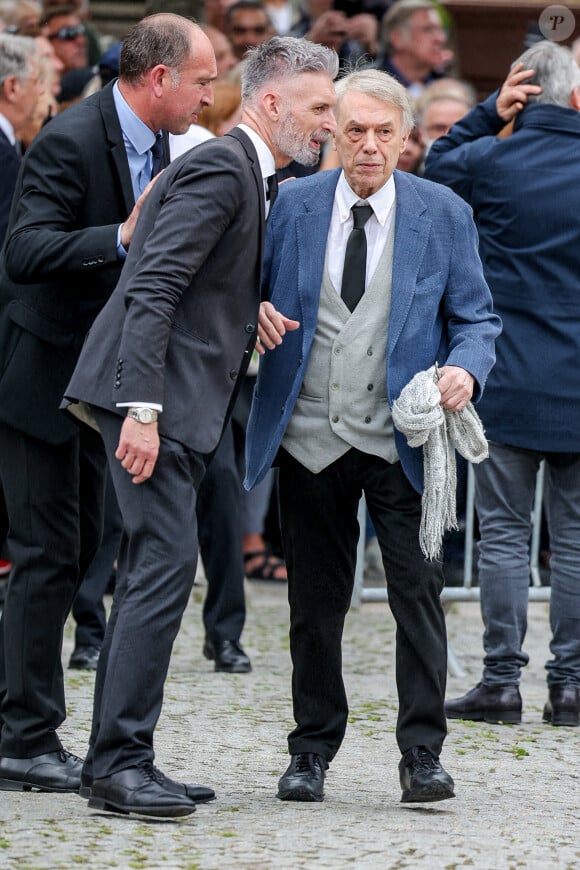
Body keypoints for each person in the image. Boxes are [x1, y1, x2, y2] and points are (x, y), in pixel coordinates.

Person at [63, 35, 338, 818]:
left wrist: (243, 308)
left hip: (168, 401)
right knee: (161, 571)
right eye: (319, 108)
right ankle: (119, 763)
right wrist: (142, 410)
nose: (327, 124)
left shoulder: (247, 172)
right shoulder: (225, 166)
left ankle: (113, 759)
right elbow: (151, 284)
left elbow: (187, 272)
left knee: (156, 569)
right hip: (153, 404)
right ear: (273, 101)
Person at [245, 68, 501, 804]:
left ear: (406, 139)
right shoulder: (290, 205)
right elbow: (245, 289)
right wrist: (255, 311)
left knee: (418, 595)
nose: (368, 145)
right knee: (314, 604)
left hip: (404, 441)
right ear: (331, 132)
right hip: (309, 432)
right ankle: (311, 750)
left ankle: (423, 752)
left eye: (384, 132)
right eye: (354, 129)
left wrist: (465, 370)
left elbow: (477, 318)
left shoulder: (443, 212)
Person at [0, 12, 216, 797]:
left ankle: (102, 748)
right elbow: (23, 253)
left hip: (102, 389)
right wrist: (120, 237)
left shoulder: (164, 143)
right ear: (159, 79)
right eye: (201, 81)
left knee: (90, 553)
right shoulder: (67, 138)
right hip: (40, 386)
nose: (209, 97)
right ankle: (24, 737)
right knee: (45, 559)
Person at [425, 40, 580, 728]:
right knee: (575, 540)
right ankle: (571, 685)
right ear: (575, 95)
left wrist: (487, 113)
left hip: (509, 374)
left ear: (526, 92)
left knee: (506, 536)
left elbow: (435, 165)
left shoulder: (492, 158)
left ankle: (500, 682)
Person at [376, 0, 453, 97]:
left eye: (440, 30)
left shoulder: (446, 86)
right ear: (397, 38)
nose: (440, 39)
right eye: (428, 29)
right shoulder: (368, 85)